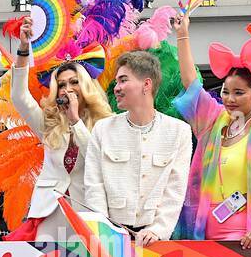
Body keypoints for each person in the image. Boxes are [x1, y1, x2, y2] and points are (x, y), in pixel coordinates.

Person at [172, 11, 251, 246]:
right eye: (225, 92)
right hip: (202, 228)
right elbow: (191, 84)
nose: (230, 99)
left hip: (243, 232)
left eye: (239, 92)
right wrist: (183, 35)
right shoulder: (214, 120)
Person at [8, 16, 113, 239]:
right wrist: (24, 49)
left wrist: (76, 121)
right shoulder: (49, 123)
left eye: (74, 82)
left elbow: (98, 158)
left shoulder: (105, 123)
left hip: (86, 212)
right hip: (49, 211)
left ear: (86, 86)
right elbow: (18, 96)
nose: (67, 89)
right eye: (62, 84)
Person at [82, 51, 192, 243]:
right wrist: (104, 231)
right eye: (116, 82)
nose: (116, 88)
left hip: (157, 239)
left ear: (146, 84)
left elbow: (175, 189)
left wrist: (158, 230)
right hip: (109, 237)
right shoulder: (102, 129)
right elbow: (94, 186)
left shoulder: (179, 131)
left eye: (123, 80)